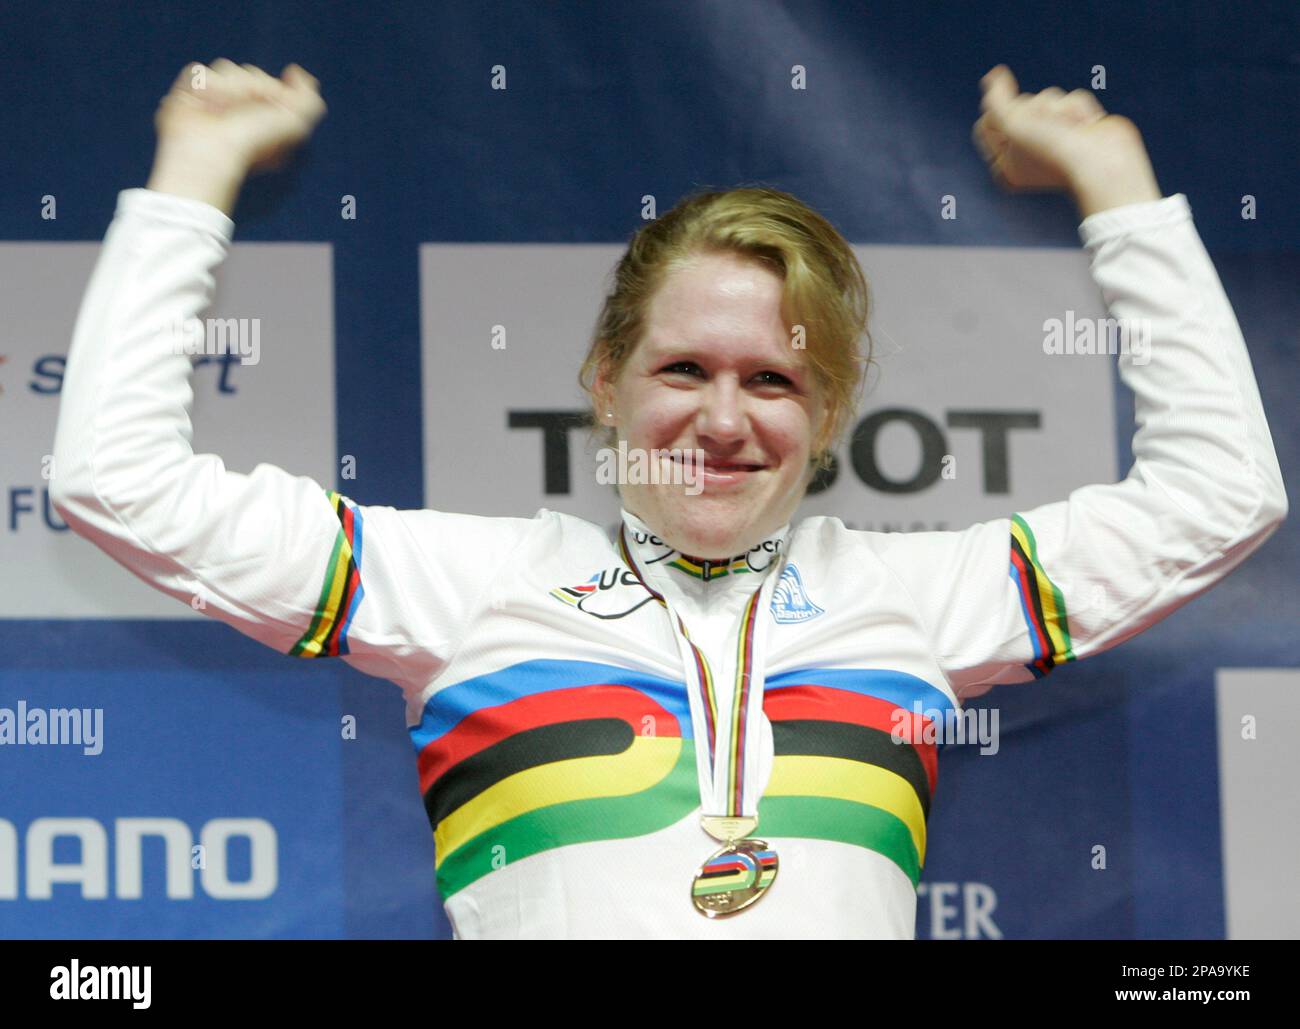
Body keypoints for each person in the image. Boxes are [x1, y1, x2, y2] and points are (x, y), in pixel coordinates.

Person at [50, 60, 1287, 939]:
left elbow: (1220, 492)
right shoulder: (474, 586)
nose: (725, 417)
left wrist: (1116, 186)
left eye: (774, 380)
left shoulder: (919, 597)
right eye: (682, 369)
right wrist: (193, 176)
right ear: (603, 384)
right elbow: (119, 483)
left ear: (828, 417)